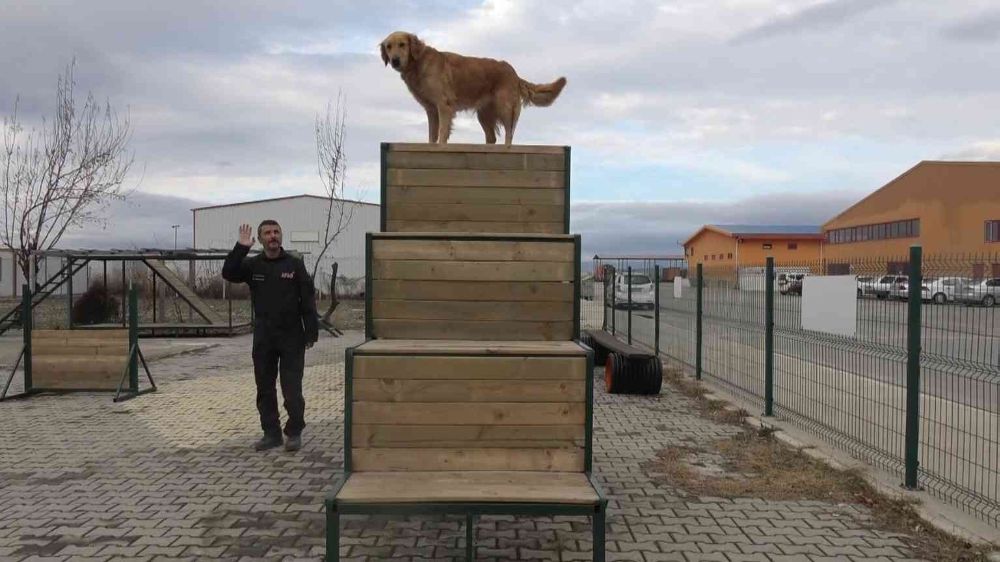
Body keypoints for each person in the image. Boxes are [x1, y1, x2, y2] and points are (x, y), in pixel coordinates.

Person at [222, 220, 319, 451]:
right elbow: (229, 272)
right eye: (268, 233)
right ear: (261, 238)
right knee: (265, 388)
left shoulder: (294, 265)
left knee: (292, 390)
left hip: (291, 336)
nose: (273, 236)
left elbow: (307, 299)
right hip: (264, 336)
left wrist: (311, 332)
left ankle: (294, 431)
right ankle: (271, 433)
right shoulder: (253, 265)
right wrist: (241, 247)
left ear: (281, 236)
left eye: (276, 232)